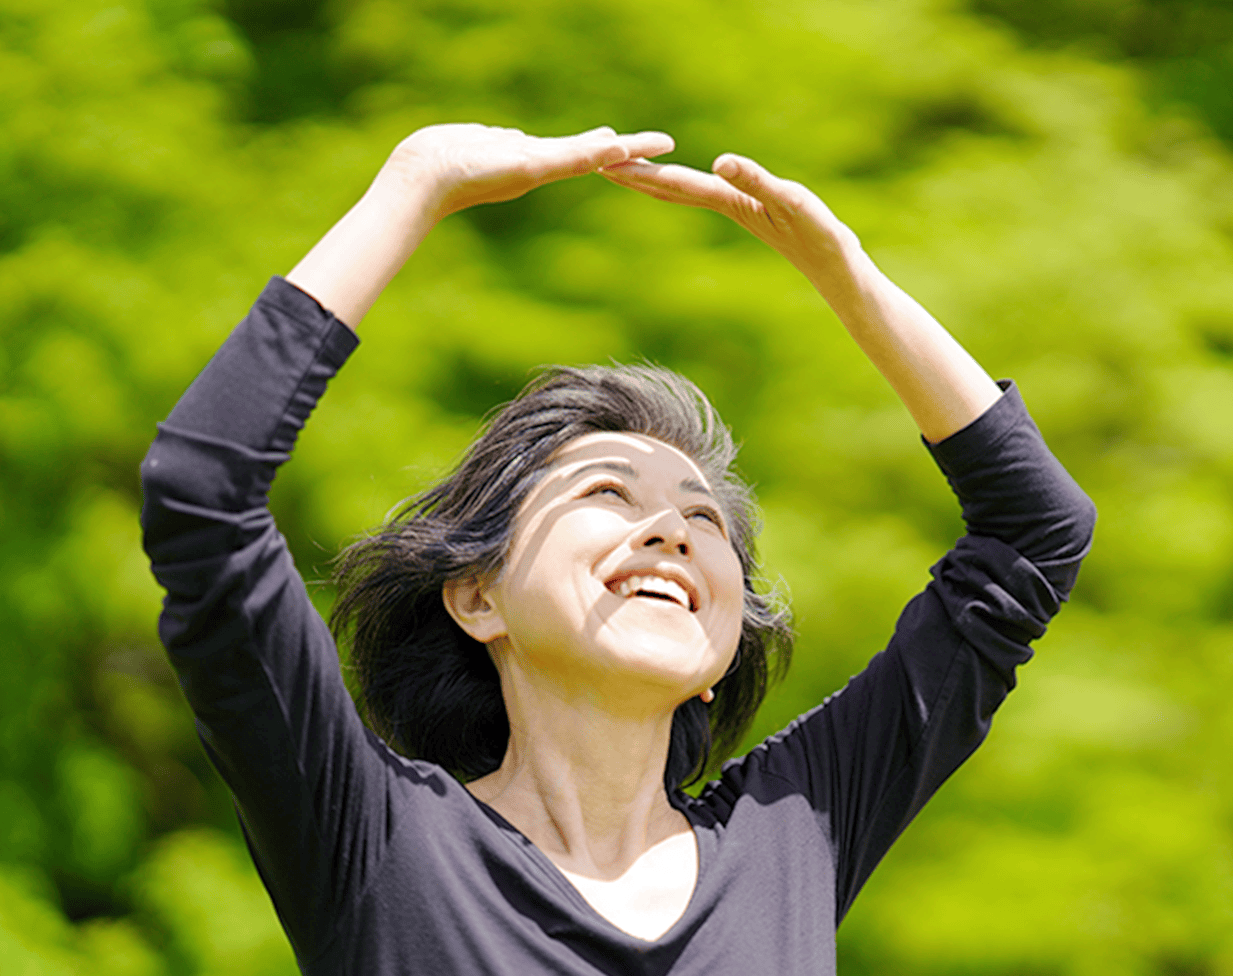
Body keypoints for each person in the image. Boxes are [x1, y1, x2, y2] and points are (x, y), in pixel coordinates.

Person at [140, 122, 1096, 974]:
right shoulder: (377, 838)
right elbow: (202, 492)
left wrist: (849, 279)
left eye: (705, 521)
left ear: (720, 658)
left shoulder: (796, 834)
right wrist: (414, 184)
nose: (673, 529)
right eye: (606, 494)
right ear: (478, 597)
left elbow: (1036, 533)